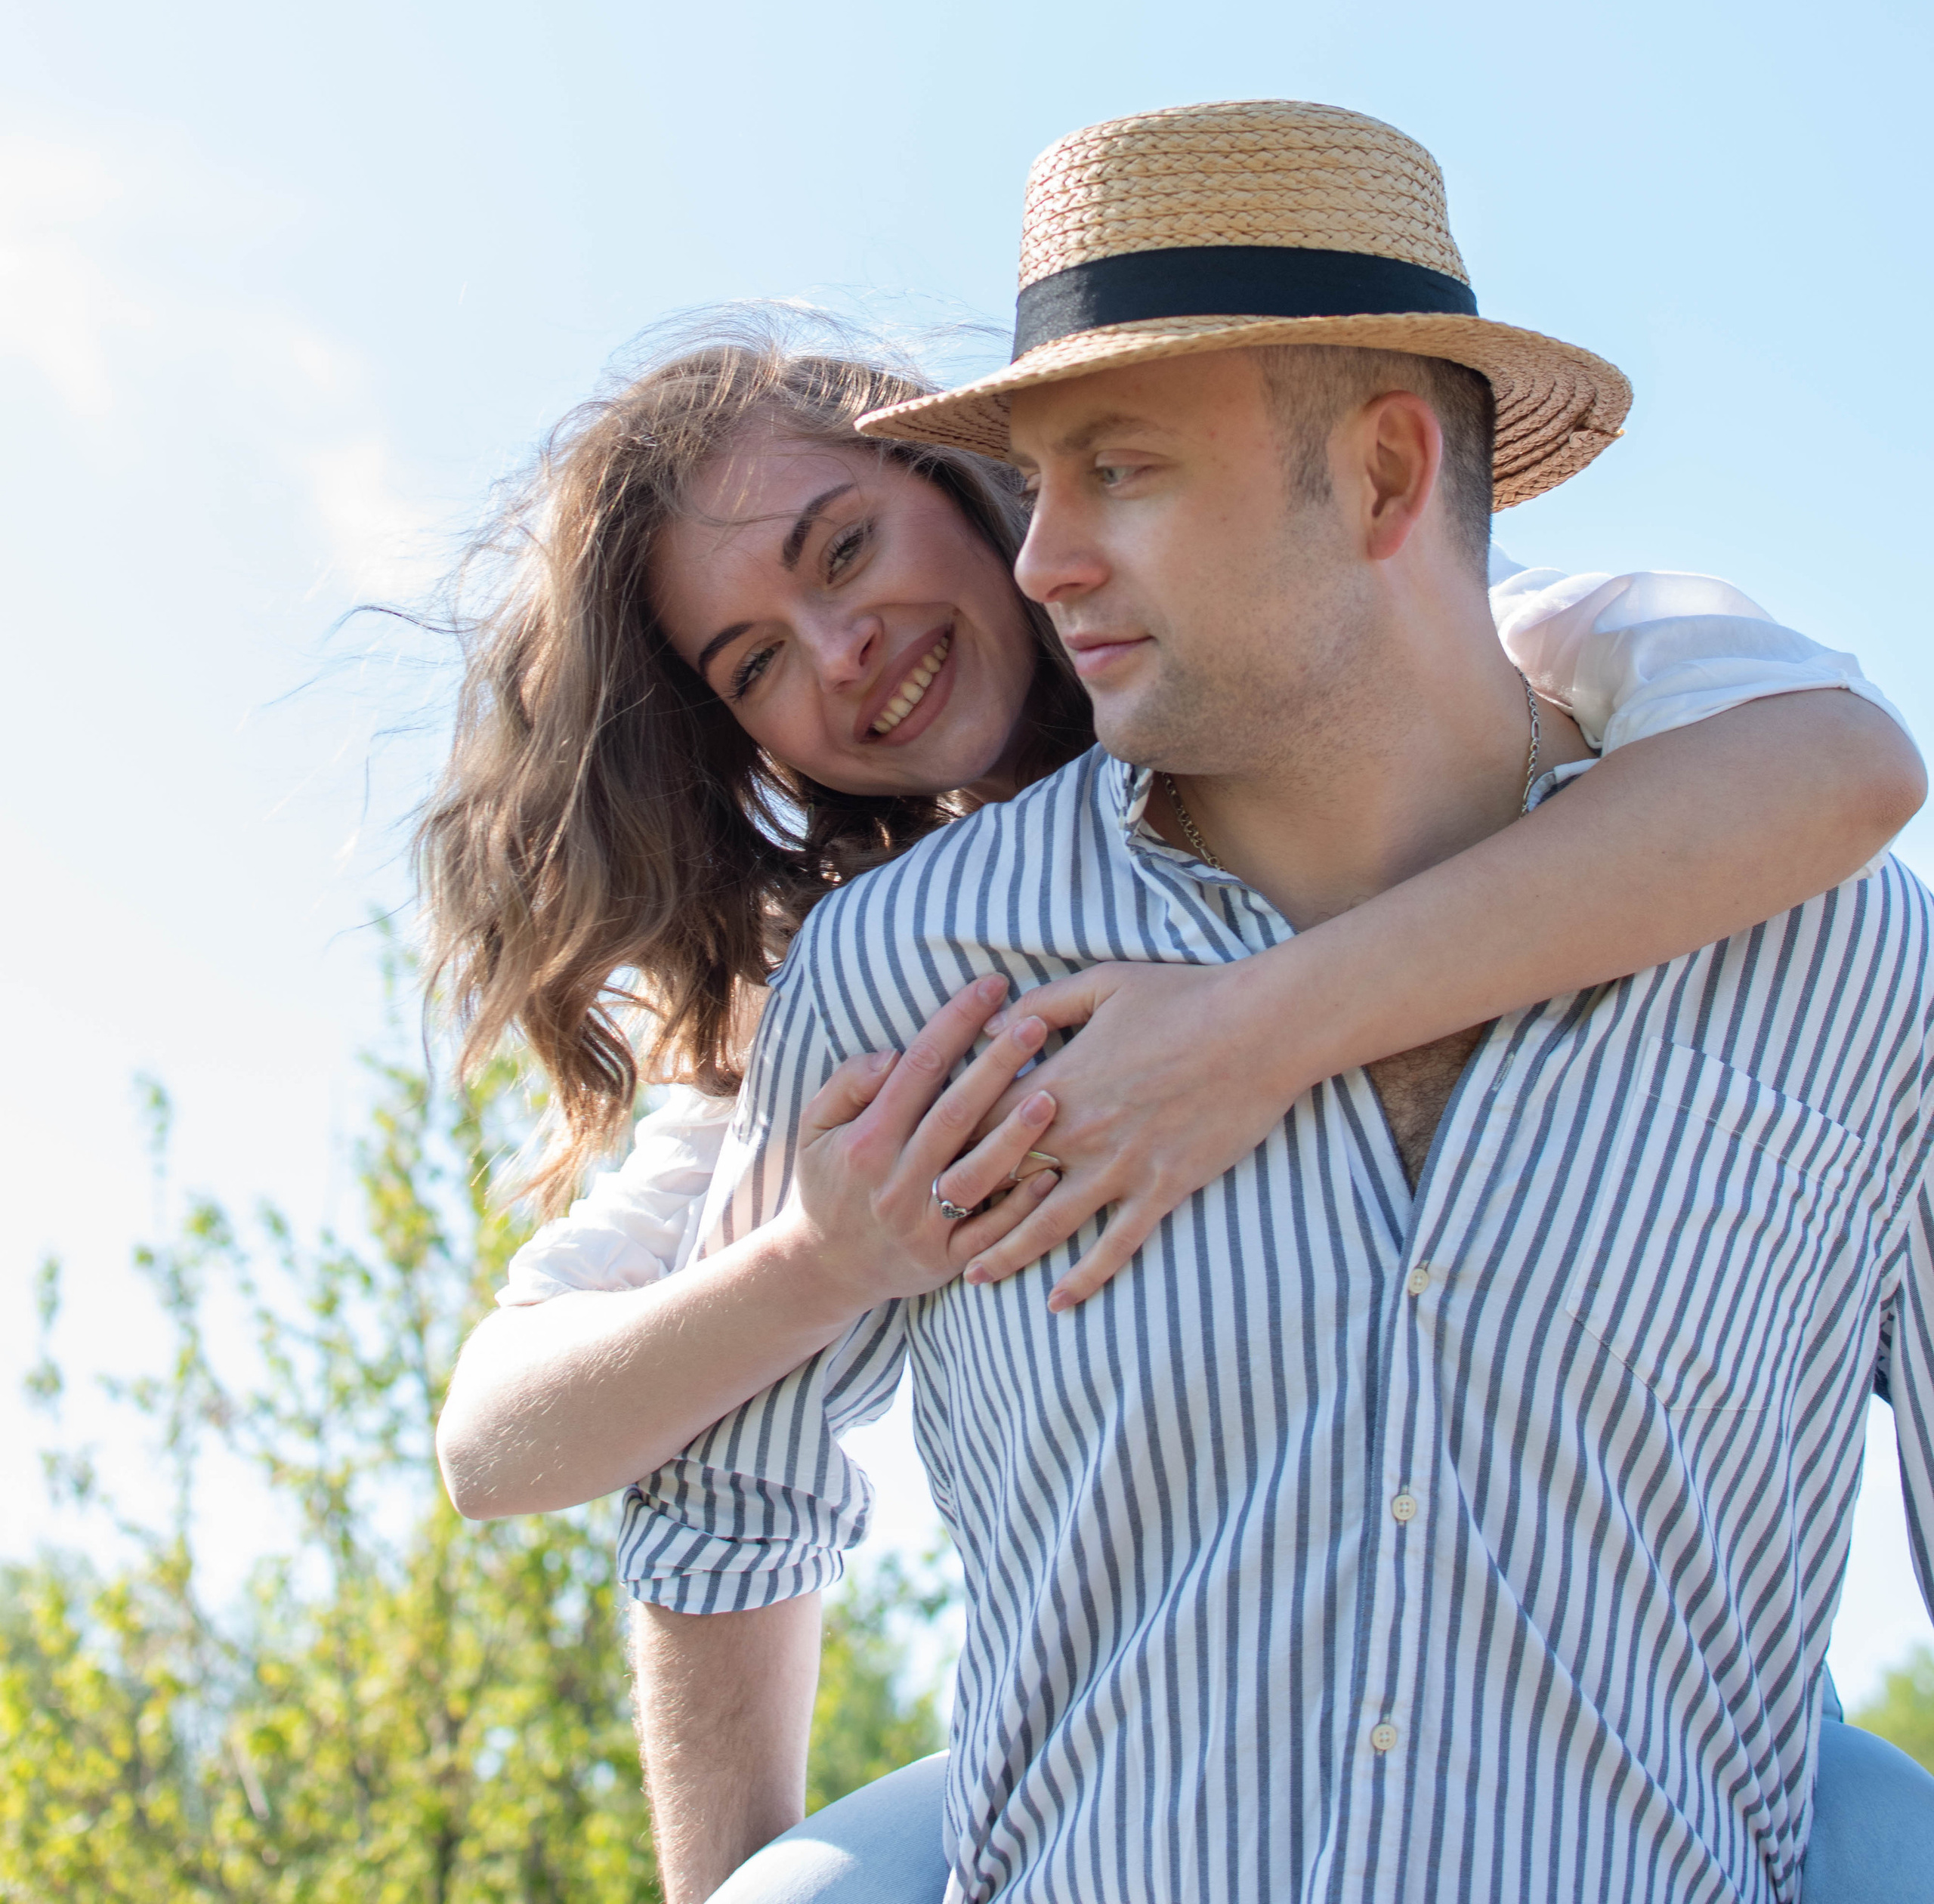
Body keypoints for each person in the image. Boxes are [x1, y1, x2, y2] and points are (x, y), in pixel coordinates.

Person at [595, 101, 1934, 1904]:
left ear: (1384, 477)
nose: (1040, 556)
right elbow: (712, 1489)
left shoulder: (1832, 956)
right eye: (1033, 482)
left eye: (1117, 470)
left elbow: (1850, 759)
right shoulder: (910, 978)